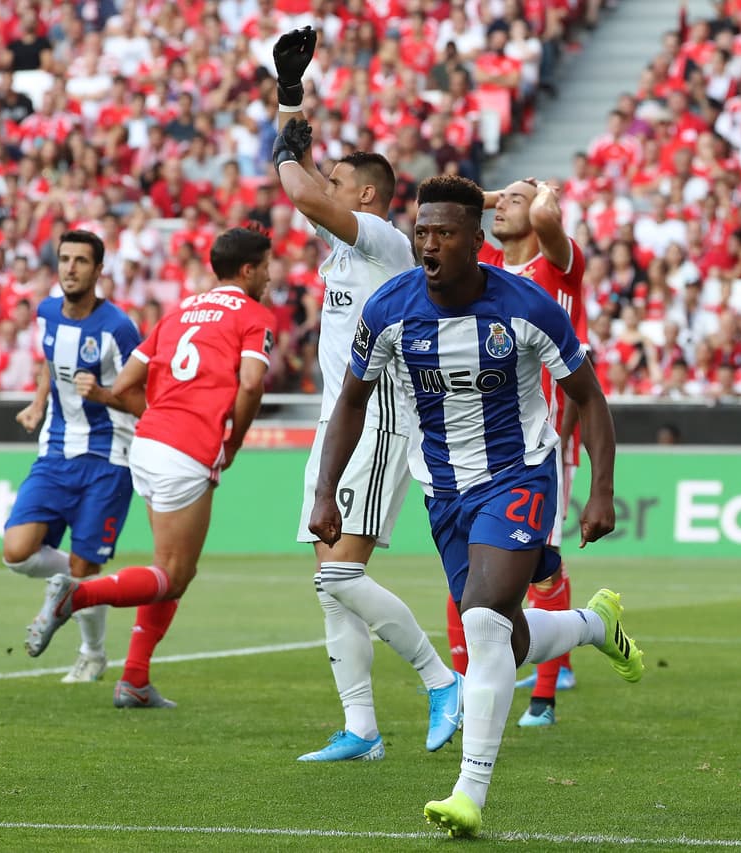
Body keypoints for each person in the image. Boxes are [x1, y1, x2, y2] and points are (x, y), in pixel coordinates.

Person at [308, 176, 644, 837]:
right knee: (510, 638)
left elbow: (590, 394)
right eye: (422, 232)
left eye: (444, 233)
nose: (429, 244)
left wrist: (601, 487)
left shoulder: (527, 306)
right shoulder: (390, 308)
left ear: (475, 241)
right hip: (444, 493)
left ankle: (468, 791)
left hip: (519, 475)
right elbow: (352, 400)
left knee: (485, 625)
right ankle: (592, 625)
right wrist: (326, 490)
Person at [271, 26, 463, 761]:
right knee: (329, 582)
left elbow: (300, 186)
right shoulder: (346, 243)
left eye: (339, 182)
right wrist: (288, 96)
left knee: (342, 572)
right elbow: (306, 179)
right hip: (335, 420)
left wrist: (288, 152)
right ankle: (360, 728)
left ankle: (438, 678)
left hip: (380, 416)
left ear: (369, 197)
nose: (325, 188)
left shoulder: (382, 237)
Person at [23, 228, 276, 709]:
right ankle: (74, 597)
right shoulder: (253, 316)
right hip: (187, 450)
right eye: (266, 265)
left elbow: (122, 384)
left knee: (171, 568)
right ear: (248, 270)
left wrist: (166, 414)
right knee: (175, 575)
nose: (270, 274)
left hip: (149, 443)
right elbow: (250, 384)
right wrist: (232, 441)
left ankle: (134, 678)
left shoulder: (181, 311)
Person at [444, 176, 588, 728]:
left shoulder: (557, 269)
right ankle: (461, 687)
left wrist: (538, 192)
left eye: (513, 200)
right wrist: (505, 198)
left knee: (539, 569)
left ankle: (545, 696)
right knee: (469, 572)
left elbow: (549, 223)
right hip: (480, 444)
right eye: (498, 200)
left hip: (542, 444)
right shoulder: (487, 278)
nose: (501, 205)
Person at [2, 230, 142, 684]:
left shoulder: (118, 329)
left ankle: (92, 654)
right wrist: (40, 403)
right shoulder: (46, 313)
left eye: (82, 260)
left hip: (109, 457)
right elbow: (49, 361)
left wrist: (103, 395)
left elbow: (147, 400)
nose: (71, 268)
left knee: (86, 566)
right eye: (65, 259)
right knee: (17, 552)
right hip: (56, 450)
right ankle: (69, 582)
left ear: (98, 270)